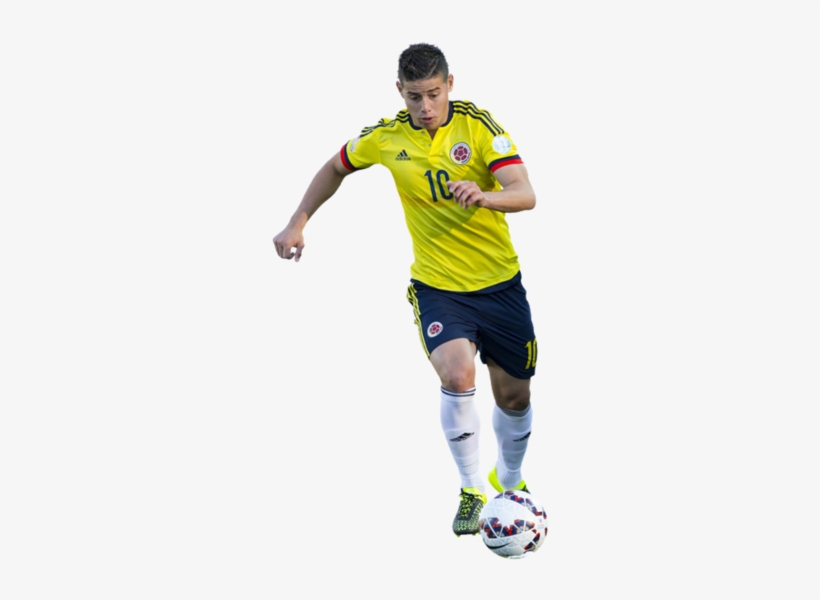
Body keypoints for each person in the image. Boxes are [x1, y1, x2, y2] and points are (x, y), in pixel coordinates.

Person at [273, 43, 538, 537]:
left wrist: (485, 196)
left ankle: (510, 479)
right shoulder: (386, 137)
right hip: (438, 287)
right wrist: (298, 221)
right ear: (400, 91)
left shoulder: (480, 128)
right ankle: (471, 489)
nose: (425, 107)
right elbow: (335, 167)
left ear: (450, 85)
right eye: (414, 96)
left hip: (499, 285)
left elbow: (526, 193)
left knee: (514, 397)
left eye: (434, 94)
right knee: (457, 374)